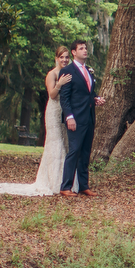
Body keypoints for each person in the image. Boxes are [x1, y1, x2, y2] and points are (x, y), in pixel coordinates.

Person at [0, 47, 78, 196]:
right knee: (56, 144)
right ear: (56, 58)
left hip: (66, 113)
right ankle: (53, 182)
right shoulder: (52, 74)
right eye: (62, 57)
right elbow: (52, 95)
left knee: (66, 144)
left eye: (67, 57)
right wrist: (59, 83)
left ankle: (68, 182)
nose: (65, 60)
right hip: (54, 113)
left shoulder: (70, 74)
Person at [58, 39, 106, 197]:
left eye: (85, 48)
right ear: (74, 52)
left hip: (89, 117)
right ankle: (65, 187)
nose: (85, 51)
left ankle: (83, 186)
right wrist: (69, 117)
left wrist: (96, 99)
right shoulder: (68, 70)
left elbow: (87, 93)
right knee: (74, 151)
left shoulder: (88, 71)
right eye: (81, 48)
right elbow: (64, 98)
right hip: (75, 118)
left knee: (86, 152)